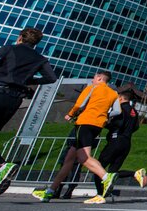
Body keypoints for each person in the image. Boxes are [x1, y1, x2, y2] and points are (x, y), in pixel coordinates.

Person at [32, 70, 119, 202]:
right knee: (69, 159)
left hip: (85, 123)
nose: (92, 80)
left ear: (100, 78)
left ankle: (106, 177)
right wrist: (105, 116)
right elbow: (117, 110)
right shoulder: (113, 93)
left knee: (84, 157)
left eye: (94, 77)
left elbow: (80, 104)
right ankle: (50, 191)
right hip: (97, 126)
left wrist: (70, 114)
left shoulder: (92, 88)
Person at [0, 27, 57, 196]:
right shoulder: (40, 58)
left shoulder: (9, 48)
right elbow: (51, 78)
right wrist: (29, 80)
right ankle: (1, 167)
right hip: (14, 100)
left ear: (20, 37)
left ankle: (1, 165)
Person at [83, 90, 147, 204]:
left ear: (121, 99)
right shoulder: (134, 111)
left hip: (115, 140)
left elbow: (118, 124)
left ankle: (99, 195)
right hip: (126, 142)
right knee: (112, 172)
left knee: (99, 168)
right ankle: (134, 174)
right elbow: (136, 127)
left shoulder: (120, 109)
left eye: (116, 98)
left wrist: (106, 124)